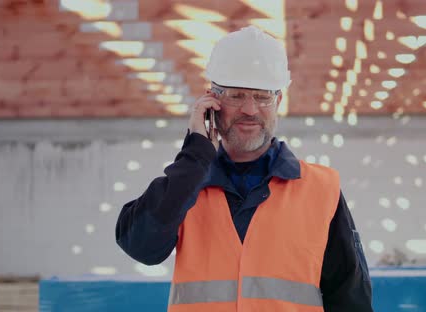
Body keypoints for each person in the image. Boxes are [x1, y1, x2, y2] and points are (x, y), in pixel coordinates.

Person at [116, 25, 373, 312]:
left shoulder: (321, 189)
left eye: (262, 96)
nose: (250, 109)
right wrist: (194, 154)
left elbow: (351, 300)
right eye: (236, 95)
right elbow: (140, 245)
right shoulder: (185, 185)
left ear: (278, 101)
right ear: (212, 102)